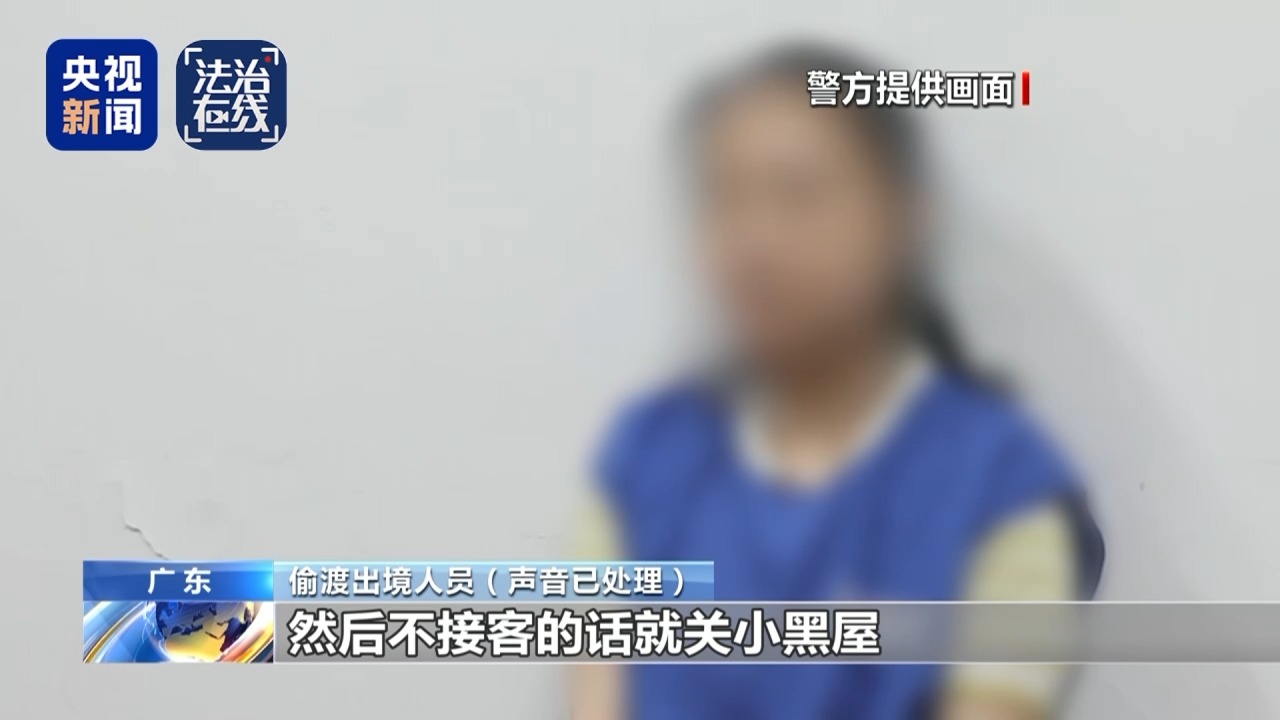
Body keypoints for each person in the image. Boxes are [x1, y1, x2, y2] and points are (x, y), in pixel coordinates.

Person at [572, 42, 1104, 720]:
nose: (757, 241)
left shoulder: (999, 489)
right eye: (728, 197)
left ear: (900, 221)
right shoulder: (644, 461)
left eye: (800, 196)